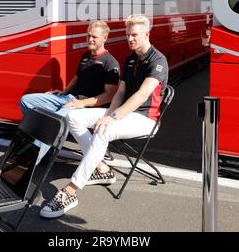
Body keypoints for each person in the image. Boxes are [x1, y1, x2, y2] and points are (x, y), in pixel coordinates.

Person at [40, 14, 168, 218]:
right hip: (124, 113)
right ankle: (100, 167)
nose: (130, 39)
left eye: (134, 35)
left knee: (103, 130)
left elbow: (141, 95)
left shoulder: (158, 60)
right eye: (128, 35)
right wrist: (108, 113)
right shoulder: (130, 58)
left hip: (145, 119)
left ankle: (71, 190)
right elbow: (119, 92)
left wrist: (112, 117)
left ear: (147, 34)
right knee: (73, 117)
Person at [20, 20, 120, 158]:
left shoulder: (110, 63)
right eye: (88, 36)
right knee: (27, 101)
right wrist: (64, 92)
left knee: (54, 121)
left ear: (105, 38)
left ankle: (32, 159)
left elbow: (108, 96)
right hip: (68, 98)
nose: (90, 39)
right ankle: (44, 144)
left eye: (94, 37)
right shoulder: (85, 56)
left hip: (84, 106)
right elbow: (77, 78)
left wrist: (81, 103)